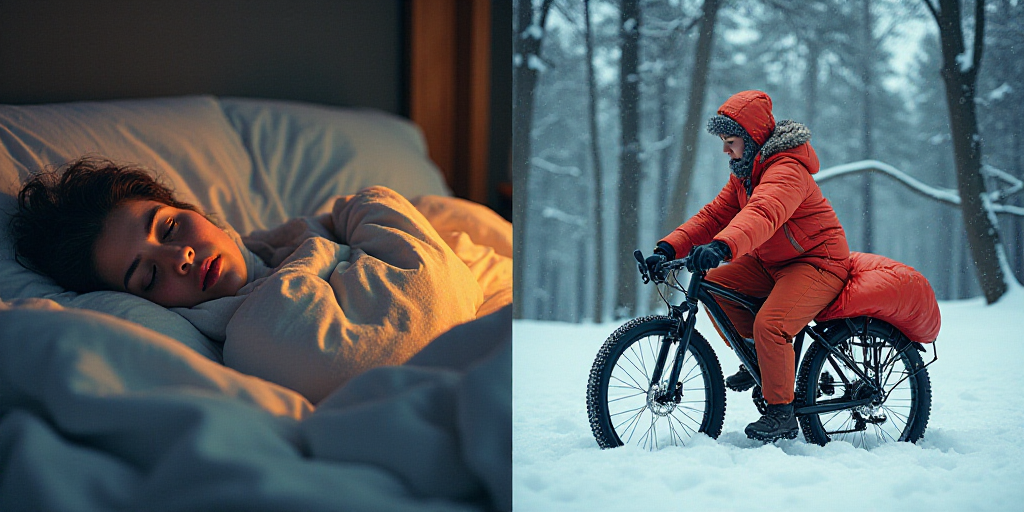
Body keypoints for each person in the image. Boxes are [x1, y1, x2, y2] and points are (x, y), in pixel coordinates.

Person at [645, 90, 850, 442]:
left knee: (771, 324)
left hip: (817, 262)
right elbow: (713, 215)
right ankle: (764, 360)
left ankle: (782, 413)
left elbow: (763, 213)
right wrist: (668, 246)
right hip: (772, 262)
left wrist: (724, 245)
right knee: (719, 287)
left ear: (753, 139)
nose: (725, 150)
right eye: (723, 142)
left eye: (731, 141)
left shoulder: (787, 170)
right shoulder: (744, 173)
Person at [11, 157, 254, 308]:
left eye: (169, 229)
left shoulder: (281, 245)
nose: (180, 258)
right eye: (151, 277)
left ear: (189, 209)